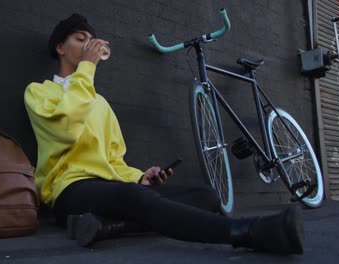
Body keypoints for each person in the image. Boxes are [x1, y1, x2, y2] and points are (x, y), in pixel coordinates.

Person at [24, 13, 304, 255]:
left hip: (109, 188)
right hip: (69, 191)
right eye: (79, 38)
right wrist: (86, 68)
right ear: (60, 47)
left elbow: (113, 160)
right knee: (133, 199)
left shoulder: (100, 103)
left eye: (91, 39)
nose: (88, 45)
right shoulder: (39, 92)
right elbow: (68, 128)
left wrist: (139, 176)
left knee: (204, 195)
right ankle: (249, 232)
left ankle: (105, 225)